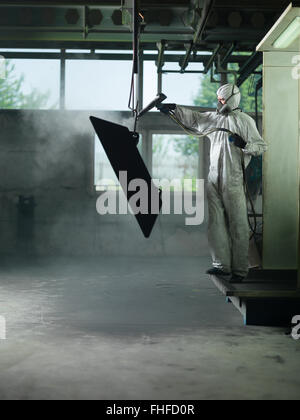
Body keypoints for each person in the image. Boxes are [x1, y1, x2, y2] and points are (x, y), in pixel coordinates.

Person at [157, 83, 267, 283]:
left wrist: (245, 145)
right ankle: (221, 265)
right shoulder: (214, 119)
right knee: (215, 223)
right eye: (219, 99)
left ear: (233, 99)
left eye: (223, 99)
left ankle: (240, 270)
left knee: (238, 224)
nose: (220, 102)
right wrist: (173, 109)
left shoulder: (245, 121)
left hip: (233, 179)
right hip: (213, 177)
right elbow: (195, 118)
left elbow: (261, 146)